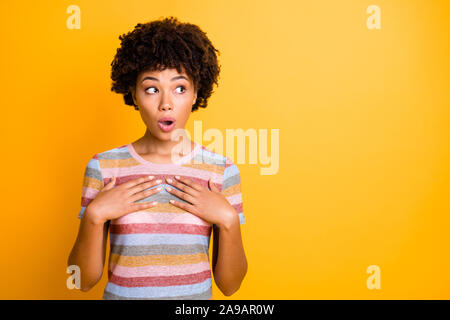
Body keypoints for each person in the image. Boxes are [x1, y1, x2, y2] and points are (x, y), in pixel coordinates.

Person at [67, 16, 247, 300]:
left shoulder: (221, 171)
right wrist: (94, 216)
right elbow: (82, 281)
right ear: (135, 95)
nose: (166, 103)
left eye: (180, 88)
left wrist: (228, 220)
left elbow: (230, 286)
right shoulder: (104, 167)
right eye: (152, 89)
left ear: (196, 93)